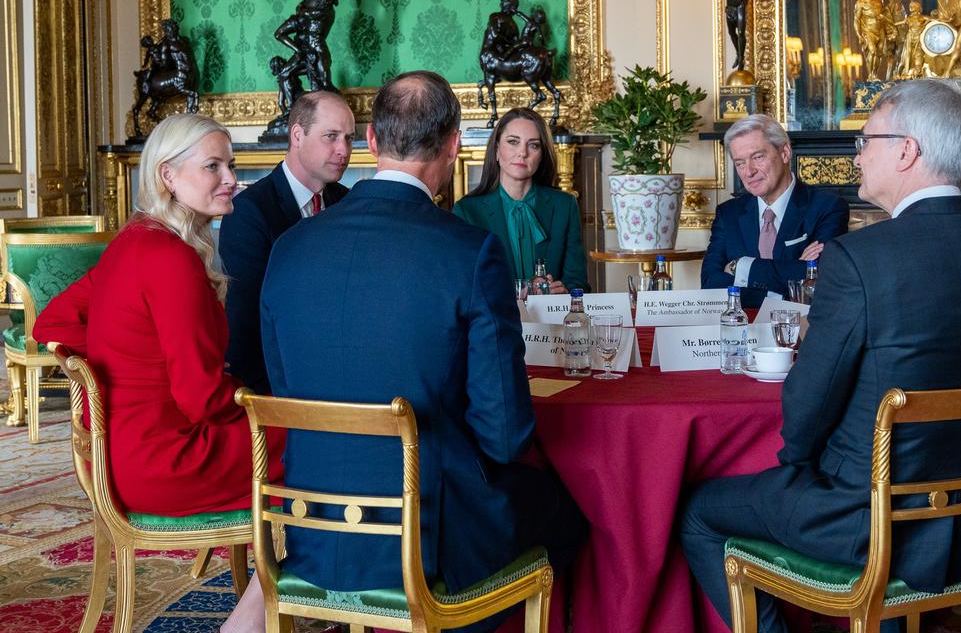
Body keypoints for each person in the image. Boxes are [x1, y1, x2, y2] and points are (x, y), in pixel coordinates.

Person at [682, 79, 961, 633]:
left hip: (865, 520)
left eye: (868, 139)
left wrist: (794, 469)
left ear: (907, 151)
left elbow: (805, 408)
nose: (858, 154)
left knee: (697, 511)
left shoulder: (858, 258)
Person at [253, 71, 584, 631]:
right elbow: (505, 435)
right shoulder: (471, 252)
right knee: (572, 515)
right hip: (431, 537)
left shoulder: (288, 248)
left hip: (314, 526)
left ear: (373, 143)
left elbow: (288, 393)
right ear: (455, 145)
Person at [33, 113, 283, 518]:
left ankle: (269, 580)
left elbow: (52, 323)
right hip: (171, 461)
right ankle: (293, 574)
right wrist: (265, 403)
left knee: (307, 440)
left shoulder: (132, 239)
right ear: (167, 175)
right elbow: (202, 400)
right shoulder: (170, 258)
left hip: (120, 456)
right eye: (212, 166)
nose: (230, 179)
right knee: (319, 442)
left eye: (231, 165)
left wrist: (131, 359)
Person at [220, 90, 353, 396]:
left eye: (347, 137)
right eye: (331, 136)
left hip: (339, 380)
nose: (343, 150)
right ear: (297, 135)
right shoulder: (250, 210)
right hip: (276, 388)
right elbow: (246, 323)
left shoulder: (348, 202)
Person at [701, 114, 850, 308]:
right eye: (740, 163)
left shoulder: (827, 207)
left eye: (757, 157)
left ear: (785, 153)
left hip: (803, 332)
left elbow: (821, 277)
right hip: (742, 330)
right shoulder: (729, 214)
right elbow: (711, 286)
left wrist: (739, 266)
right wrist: (784, 289)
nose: (749, 171)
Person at [453, 108, 587, 293]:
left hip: (552, 320)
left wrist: (564, 293)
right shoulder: (467, 211)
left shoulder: (565, 205)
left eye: (533, 145)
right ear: (497, 149)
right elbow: (462, 286)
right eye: (513, 142)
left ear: (542, 155)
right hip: (494, 321)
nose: (522, 153)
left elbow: (578, 282)